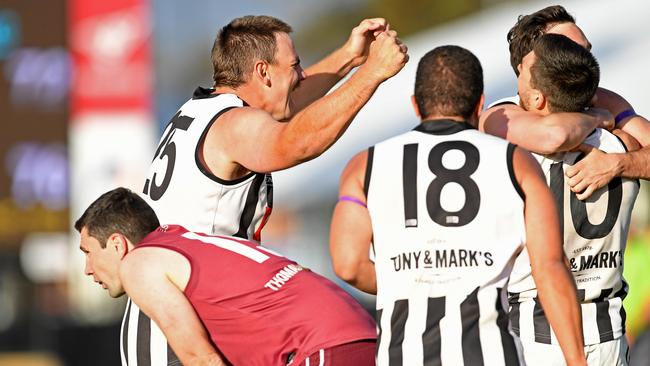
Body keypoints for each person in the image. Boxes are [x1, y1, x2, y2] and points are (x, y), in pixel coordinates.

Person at [129, 15, 408, 365]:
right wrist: (372, 74)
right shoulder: (235, 124)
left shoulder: (199, 110)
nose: (302, 74)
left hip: (164, 309)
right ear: (263, 72)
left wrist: (351, 57)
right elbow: (297, 141)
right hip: (187, 324)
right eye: (295, 65)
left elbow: (286, 106)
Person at [330, 45, 586, 365]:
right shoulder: (515, 161)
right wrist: (577, 360)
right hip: (490, 353)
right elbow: (550, 266)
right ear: (479, 104)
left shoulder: (364, 165)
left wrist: (413, 279)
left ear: (415, 105)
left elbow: (348, 265)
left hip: (404, 356)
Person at [76, 187, 377, 366]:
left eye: (88, 252)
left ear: (117, 244)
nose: (88, 269)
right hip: (355, 331)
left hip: (321, 345)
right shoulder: (187, 241)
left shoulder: (138, 264)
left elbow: (199, 358)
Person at [494, 34, 639, 365]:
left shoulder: (517, 153)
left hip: (537, 330)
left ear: (538, 99)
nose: (518, 68)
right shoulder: (626, 146)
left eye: (524, 70)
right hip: (608, 331)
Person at [481, 5, 650, 200]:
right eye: (569, 48)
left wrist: (618, 164)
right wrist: (596, 119)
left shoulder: (606, 101)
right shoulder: (504, 113)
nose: (584, 60)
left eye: (586, 51)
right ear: (529, 65)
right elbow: (554, 135)